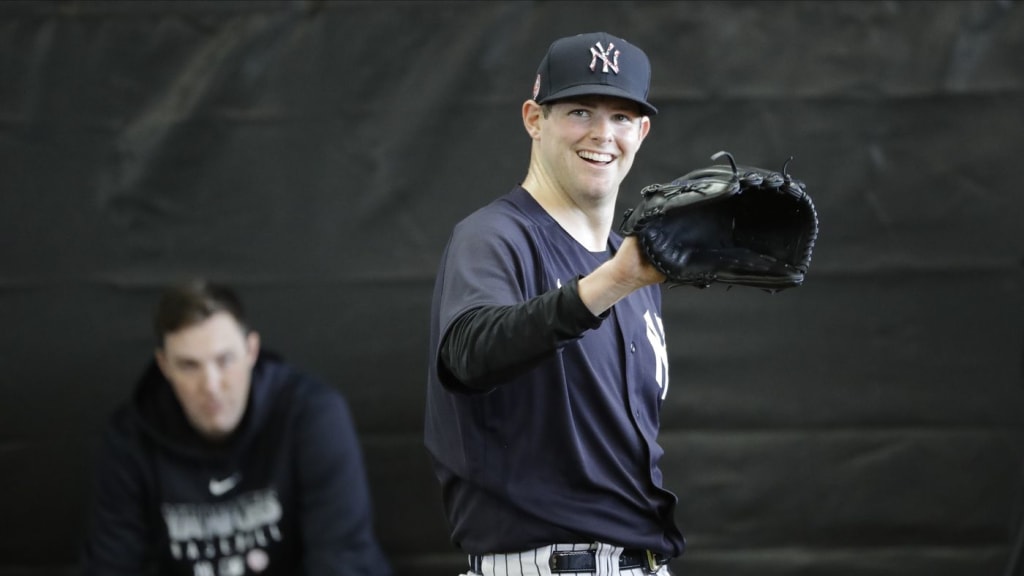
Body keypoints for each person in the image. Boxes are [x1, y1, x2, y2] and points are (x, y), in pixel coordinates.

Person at [424, 31, 685, 576]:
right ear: (533, 119)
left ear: (642, 131)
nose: (601, 134)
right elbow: (470, 353)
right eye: (580, 110)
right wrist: (610, 283)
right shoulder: (495, 236)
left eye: (621, 117)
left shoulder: (632, 263)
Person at [81, 279, 391, 576]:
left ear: (251, 351)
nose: (211, 386)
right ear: (164, 366)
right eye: (189, 366)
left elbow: (342, 560)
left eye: (225, 360)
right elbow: (113, 566)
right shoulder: (129, 440)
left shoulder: (312, 415)